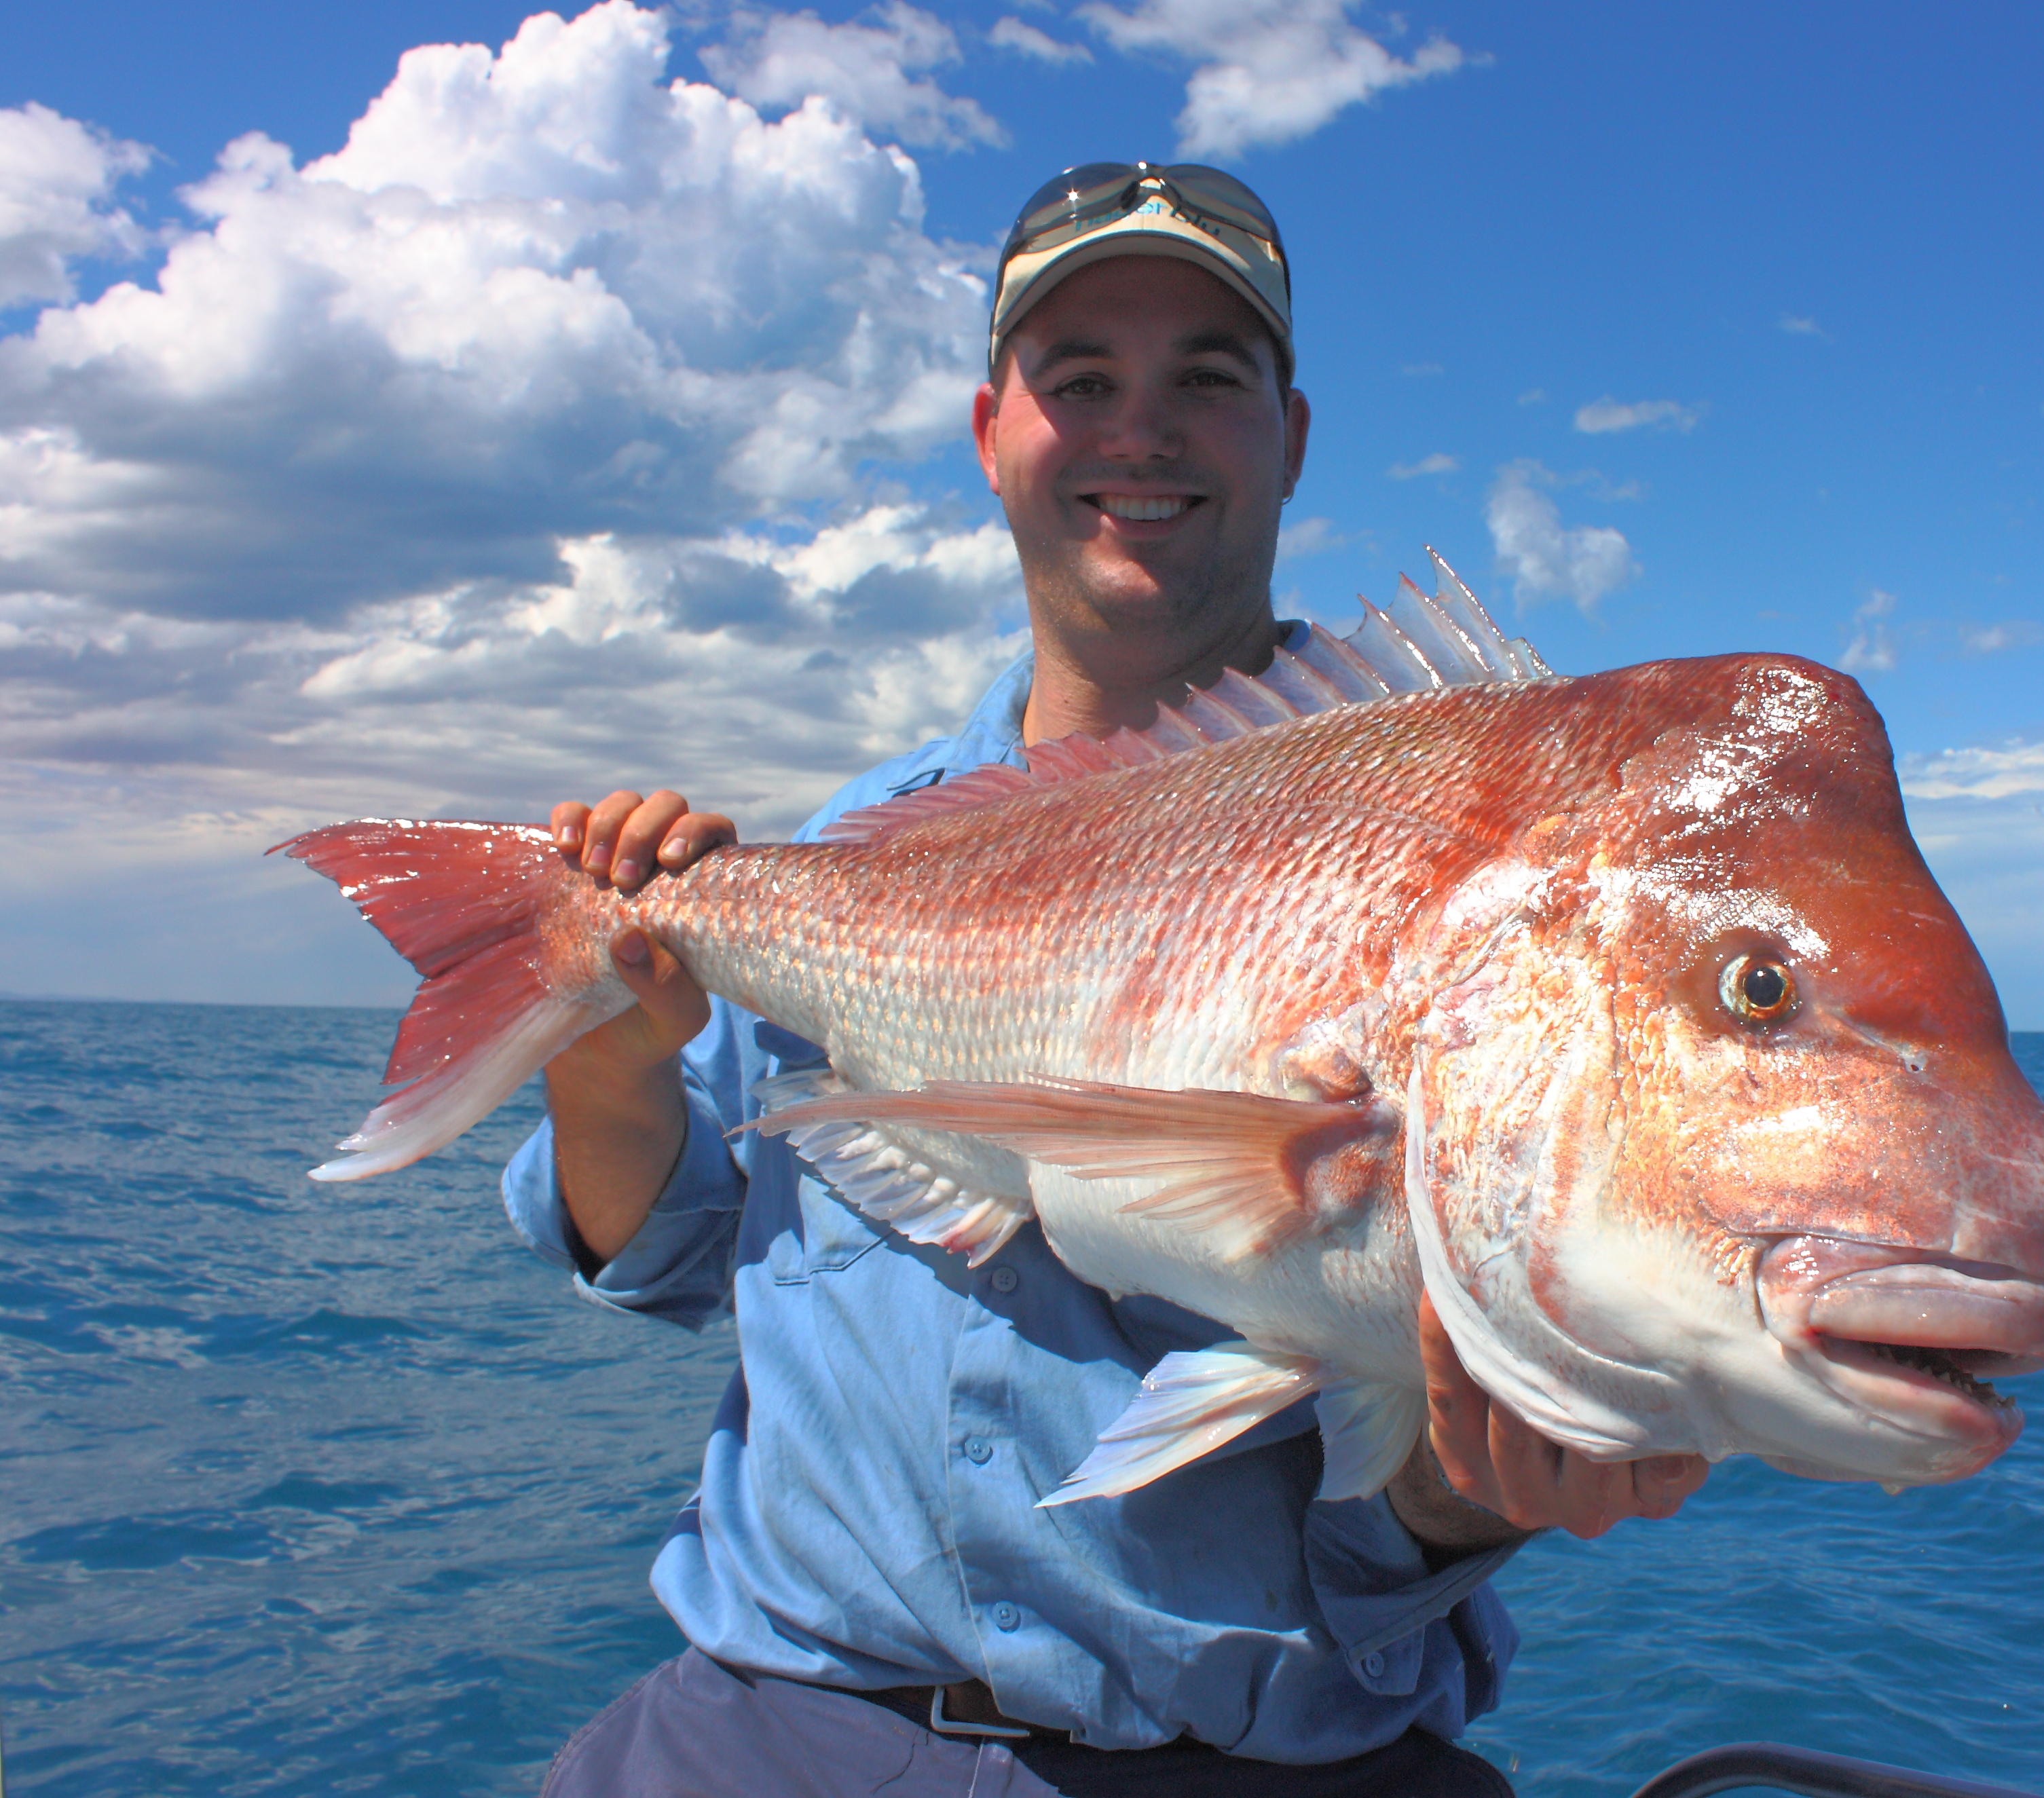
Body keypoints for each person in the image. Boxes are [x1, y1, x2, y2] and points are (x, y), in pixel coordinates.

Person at [510, 162, 1708, 1797]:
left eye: (1202, 381)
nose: (1137, 431)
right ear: (993, 428)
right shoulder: (858, 849)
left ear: (1289, 432)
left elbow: (1399, 1524)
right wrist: (604, 1059)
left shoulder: (1474, 842)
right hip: (765, 1727)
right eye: (1081, 382)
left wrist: (1478, 1484)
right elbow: (658, 1250)